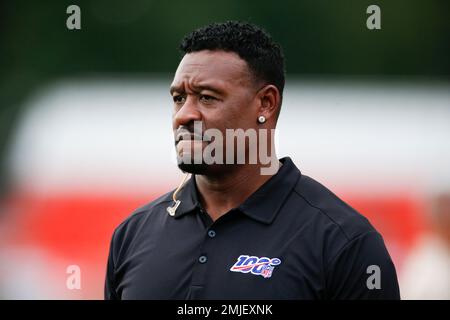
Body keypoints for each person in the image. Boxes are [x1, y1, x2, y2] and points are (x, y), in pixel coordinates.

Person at [105, 21, 400, 299]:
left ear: (266, 104)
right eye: (179, 98)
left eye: (207, 97)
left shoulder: (343, 242)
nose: (184, 115)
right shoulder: (133, 234)